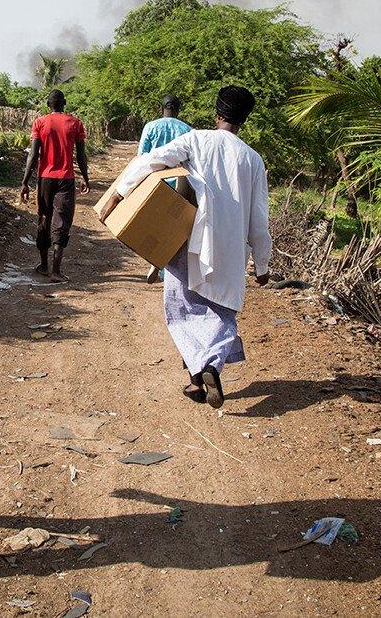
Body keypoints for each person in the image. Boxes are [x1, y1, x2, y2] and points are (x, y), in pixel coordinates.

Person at [99, 86, 272, 409]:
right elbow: (259, 219)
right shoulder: (253, 159)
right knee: (220, 313)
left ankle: (203, 370)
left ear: (216, 114)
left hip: (191, 240)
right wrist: (262, 265)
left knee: (181, 308)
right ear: (244, 119)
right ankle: (203, 374)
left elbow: (151, 161)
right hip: (232, 250)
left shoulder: (197, 140)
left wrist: (117, 194)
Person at [20, 90, 90, 282]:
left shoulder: (39, 123)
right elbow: (81, 155)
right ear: (64, 103)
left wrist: (25, 182)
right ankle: (56, 271)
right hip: (66, 179)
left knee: (44, 217)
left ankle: (44, 265)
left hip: (45, 179)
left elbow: (33, 155)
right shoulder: (75, 123)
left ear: (48, 104)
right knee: (62, 220)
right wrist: (85, 177)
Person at [138, 94, 194, 283]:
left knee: (153, 225)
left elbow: (142, 157)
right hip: (179, 184)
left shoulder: (150, 127)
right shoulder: (187, 130)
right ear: (178, 110)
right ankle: (167, 268)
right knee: (174, 227)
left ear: (161, 108)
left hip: (155, 182)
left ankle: (155, 260)